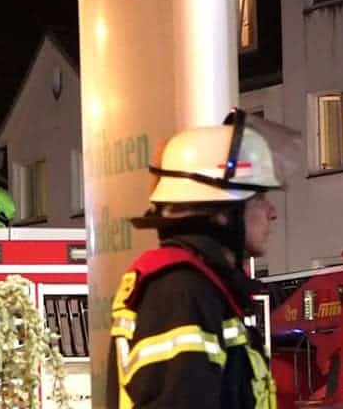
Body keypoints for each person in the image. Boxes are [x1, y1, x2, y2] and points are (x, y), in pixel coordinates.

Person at [107, 108, 300, 408]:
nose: (272, 212)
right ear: (222, 212)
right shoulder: (181, 291)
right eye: (259, 197)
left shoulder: (202, 290)